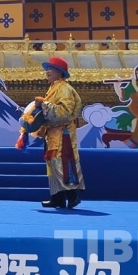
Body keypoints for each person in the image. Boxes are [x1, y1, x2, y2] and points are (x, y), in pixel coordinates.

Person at [32, 56, 86, 209]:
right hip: (53, 133)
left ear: (60, 72)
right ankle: (57, 197)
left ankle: (72, 196)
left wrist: (44, 104)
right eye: (48, 69)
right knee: (53, 165)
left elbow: (65, 112)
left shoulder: (64, 89)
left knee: (64, 164)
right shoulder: (54, 88)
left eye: (51, 69)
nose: (48, 72)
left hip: (63, 133)